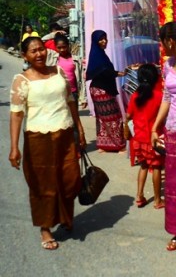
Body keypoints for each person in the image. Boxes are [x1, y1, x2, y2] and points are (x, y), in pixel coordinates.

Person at [8, 36, 87, 250]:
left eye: (41, 49)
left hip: (64, 133)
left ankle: (65, 215)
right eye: (33, 51)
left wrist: (78, 128)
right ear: (25, 56)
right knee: (43, 184)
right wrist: (14, 148)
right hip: (37, 138)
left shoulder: (58, 72)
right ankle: (45, 227)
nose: (39, 54)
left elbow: (70, 101)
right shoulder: (21, 80)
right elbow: (16, 115)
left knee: (70, 178)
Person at [151, 21, 176, 252]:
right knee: (174, 184)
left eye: (162, 42)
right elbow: (167, 96)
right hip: (173, 132)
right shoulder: (168, 65)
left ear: (170, 41)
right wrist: (156, 126)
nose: (162, 47)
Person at [126, 64, 165, 209]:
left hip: (139, 138)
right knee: (156, 167)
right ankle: (157, 200)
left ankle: (139, 196)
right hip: (153, 138)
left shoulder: (135, 95)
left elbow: (129, 115)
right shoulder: (159, 96)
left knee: (143, 166)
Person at [86, 30, 126, 153]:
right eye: (101, 39)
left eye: (105, 38)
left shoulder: (97, 54)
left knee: (102, 118)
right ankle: (118, 145)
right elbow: (104, 71)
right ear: (95, 41)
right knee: (114, 117)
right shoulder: (98, 56)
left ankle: (104, 145)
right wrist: (120, 73)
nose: (104, 41)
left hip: (96, 89)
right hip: (102, 90)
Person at [54, 33, 86, 108]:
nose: (62, 50)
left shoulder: (76, 60)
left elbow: (82, 79)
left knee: (74, 117)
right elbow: (42, 40)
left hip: (73, 93)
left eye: (64, 47)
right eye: (59, 47)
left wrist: (83, 98)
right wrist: (55, 34)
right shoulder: (53, 59)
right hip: (59, 94)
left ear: (68, 46)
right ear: (55, 47)